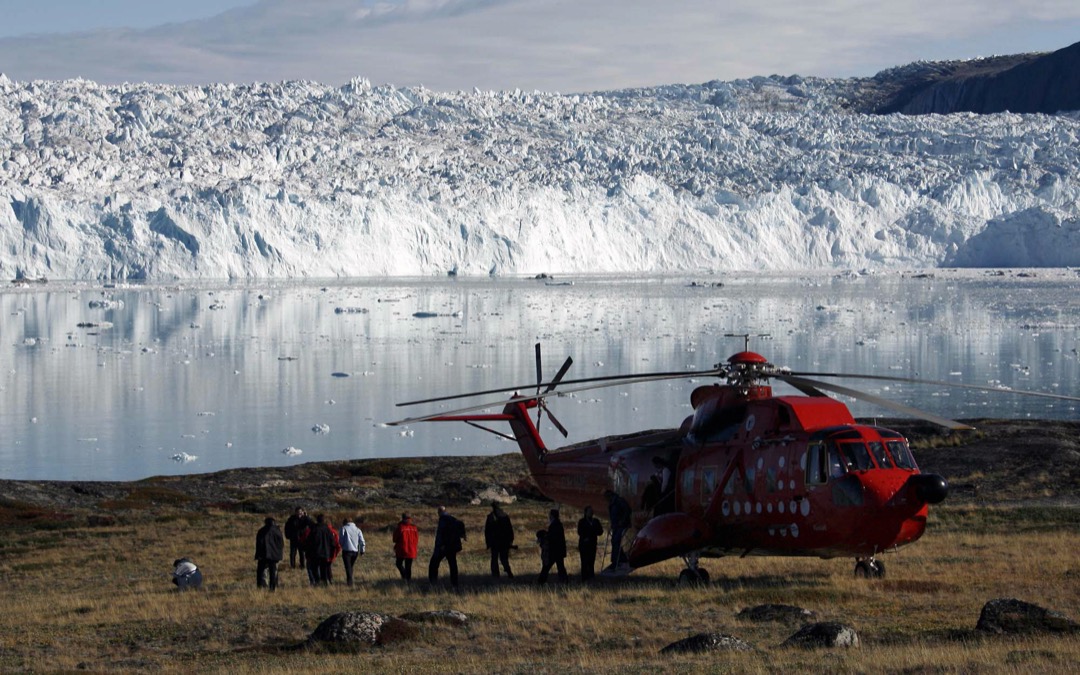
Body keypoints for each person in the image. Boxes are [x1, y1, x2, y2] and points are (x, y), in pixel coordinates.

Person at [428, 505, 466, 588]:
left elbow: (442, 534)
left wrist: (442, 545)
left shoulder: (443, 520)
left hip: (443, 547)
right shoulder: (453, 519)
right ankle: (454, 583)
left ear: (439, 512)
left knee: (434, 563)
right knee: (453, 564)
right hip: (452, 546)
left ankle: (433, 581)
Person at [537, 508, 568, 584]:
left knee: (547, 566)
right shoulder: (558, 524)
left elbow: (553, 537)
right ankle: (564, 581)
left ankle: (541, 581)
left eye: (550, 515)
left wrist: (545, 537)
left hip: (554, 550)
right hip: (559, 550)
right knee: (560, 567)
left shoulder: (554, 525)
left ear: (552, 516)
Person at [484, 503, 514, 578]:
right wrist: (510, 540)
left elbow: (487, 531)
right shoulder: (505, 516)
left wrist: (488, 542)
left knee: (494, 558)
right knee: (504, 558)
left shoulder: (490, 517)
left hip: (495, 542)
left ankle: (495, 575)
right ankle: (508, 572)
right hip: (504, 541)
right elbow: (510, 529)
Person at [309, 514, 341, 586]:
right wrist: (332, 551)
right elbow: (332, 542)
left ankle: (317, 581)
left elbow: (310, 541)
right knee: (324, 568)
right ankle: (324, 582)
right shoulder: (328, 530)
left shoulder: (314, 529)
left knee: (314, 567)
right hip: (326, 552)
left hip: (316, 552)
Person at [255, 516, 284, 591]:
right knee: (273, 572)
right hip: (274, 555)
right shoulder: (277, 531)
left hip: (263, 555)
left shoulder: (261, 531)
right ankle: (272, 588)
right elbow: (281, 544)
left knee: (260, 572)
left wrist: (258, 555)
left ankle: (260, 586)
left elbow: (259, 544)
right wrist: (278, 553)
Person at [605, 489, 632, 570]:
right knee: (614, 541)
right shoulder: (612, 503)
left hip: (622, 525)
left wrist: (622, 521)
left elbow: (628, 511)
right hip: (616, 525)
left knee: (616, 541)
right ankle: (621, 558)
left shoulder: (619, 501)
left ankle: (616, 561)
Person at [577, 506, 604, 581]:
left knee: (591, 561)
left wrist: (594, 531)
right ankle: (584, 578)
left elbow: (600, 531)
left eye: (592, 512)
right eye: (589, 511)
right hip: (584, 545)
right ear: (585, 513)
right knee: (584, 561)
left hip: (592, 544)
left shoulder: (596, 521)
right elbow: (580, 532)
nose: (591, 513)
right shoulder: (582, 521)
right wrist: (586, 537)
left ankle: (591, 576)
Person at [339, 515, 366, 587]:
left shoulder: (343, 528)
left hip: (346, 551)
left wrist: (342, 545)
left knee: (348, 567)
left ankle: (349, 582)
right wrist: (362, 550)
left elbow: (341, 540)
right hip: (355, 551)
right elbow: (362, 541)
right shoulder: (358, 529)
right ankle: (350, 579)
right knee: (351, 566)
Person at [393, 512, 419, 581]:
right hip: (412, 549)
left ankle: (404, 575)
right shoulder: (414, 527)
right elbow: (417, 538)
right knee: (408, 566)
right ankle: (408, 579)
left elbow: (394, 538)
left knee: (398, 563)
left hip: (402, 549)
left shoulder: (400, 527)